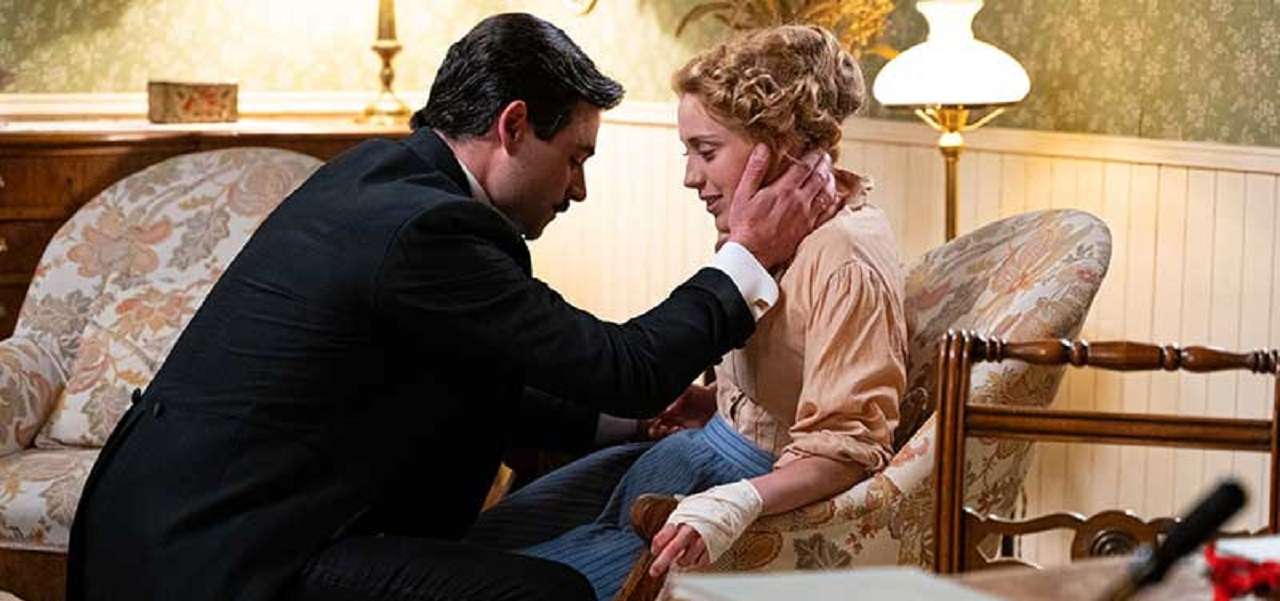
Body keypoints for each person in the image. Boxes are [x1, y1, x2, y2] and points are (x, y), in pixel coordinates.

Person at [64, 13, 841, 601]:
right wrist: (748, 252)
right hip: (226, 562)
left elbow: (473, 379)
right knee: (552, 593)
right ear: (512, 127)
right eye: (574, 158)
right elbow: (624, 365)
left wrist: (638, 423)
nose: (577, 189)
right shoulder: (427, 229)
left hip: (163, 530)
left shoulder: (381, 174)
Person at [467, 25, 907, 600]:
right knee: (466, 556)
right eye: (688, 152)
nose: (690, 176)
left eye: (706, 151)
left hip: (731, 488)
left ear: (776, 144)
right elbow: (790, 377)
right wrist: (718, 403)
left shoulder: (844, 256)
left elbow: (848, 446)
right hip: (686, 457)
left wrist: (736, 502)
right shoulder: (761, 235)